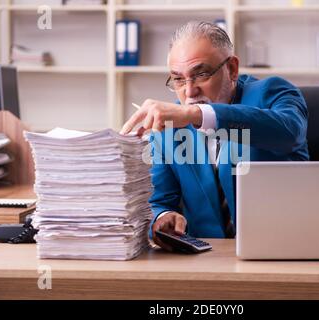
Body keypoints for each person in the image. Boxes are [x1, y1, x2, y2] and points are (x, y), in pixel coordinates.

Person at [121, 21, 309, 251]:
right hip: (208, 262)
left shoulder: (272, 93)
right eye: (178, 79)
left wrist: (198, 114)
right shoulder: (168, 129)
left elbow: (290, 131)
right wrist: (164, 217)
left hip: (283, 252)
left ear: (232, 69)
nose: (189, 92)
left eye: (201, 74)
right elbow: (156, 201)